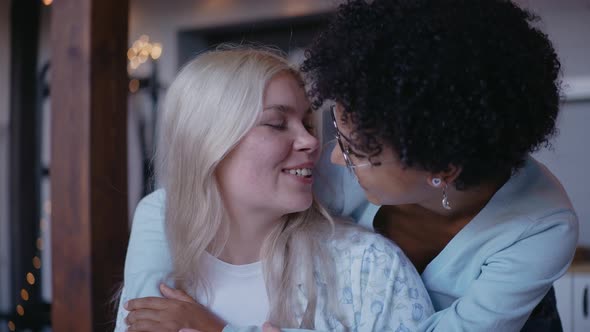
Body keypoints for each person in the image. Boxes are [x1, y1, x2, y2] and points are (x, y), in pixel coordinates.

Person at [300, 0, 578, 331]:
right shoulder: (336, 174)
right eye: (339, 133)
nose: (333, 158)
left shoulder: (542, 228)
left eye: (356, 150)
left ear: (442, 170)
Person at [114, 46, 433, 332]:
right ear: (209, 143)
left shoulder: (371, 269)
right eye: (277, 123)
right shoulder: (159, 268)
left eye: (308, 124)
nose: (311, 142)